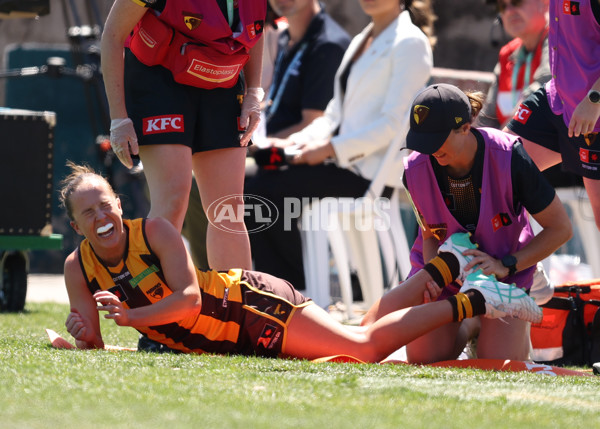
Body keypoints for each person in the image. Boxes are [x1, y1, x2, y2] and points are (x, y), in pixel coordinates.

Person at [59, 162, 542, 361]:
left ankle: (477, 299)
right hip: (231, 330)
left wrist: (133, 317)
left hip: (247, 306)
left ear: (120, 205)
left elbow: (186, 302)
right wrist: (82, 335)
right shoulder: (77, 267)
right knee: (370, 323)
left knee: (365, 349)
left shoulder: (156, 231)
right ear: (76, 226)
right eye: (89, 213)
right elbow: (96, 342)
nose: (102, 216)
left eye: (106, 204)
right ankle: (449, 267)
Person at [245, 0, 435, 291]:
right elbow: (335, 112)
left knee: (263, 188)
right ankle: (279, 291)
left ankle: (289, 294)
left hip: (367, 174)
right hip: (341, 164)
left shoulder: (411, 42)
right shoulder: (362, 38)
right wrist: (295, 142)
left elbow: (392, 125)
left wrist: (329, 149)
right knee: (254, 175)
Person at [401, 83, 572, 363]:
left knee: (497, 365)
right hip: (450, 272)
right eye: (422, 141)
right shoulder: (415, 169)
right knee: (424, 357)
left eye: (437, 140)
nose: (429, 151)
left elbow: (561, 228)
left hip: (505, 273)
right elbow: (430, 234)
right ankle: (473, 322)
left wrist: (508, 264)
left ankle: (523, 285)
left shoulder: (509, 155)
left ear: (465, 128)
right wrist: (434, 277)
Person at [101, 0, 266, 271]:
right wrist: (119, 117)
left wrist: (253, 93)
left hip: (222, 76)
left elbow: (253, 28)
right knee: (172, 202)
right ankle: (158, 308)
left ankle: (237, 309)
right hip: (159, 78)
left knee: (229, 210)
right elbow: (112, 34)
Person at [504, 0, 600, 232]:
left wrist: (595, 98)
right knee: (498, 168)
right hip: (558, 98)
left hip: (593, 109)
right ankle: (520, 265)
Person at [263, 0, 350, 138]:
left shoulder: (328, 46)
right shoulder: (284, 37)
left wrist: (258, 145)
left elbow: (314, 123)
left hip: (296, 154)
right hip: (269, 146)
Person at [477, 0, 550, 129]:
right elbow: (487, 117)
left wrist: (504, 136)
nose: (509, 11)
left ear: (545, 3)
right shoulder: (507, 54)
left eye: (517, 2)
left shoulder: (558, 41)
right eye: (502, 6)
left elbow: (546, 86)